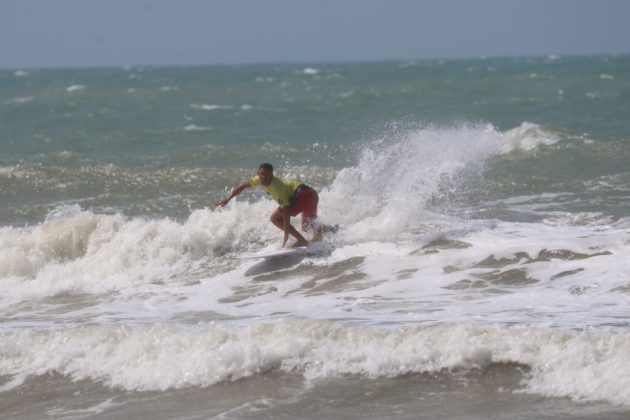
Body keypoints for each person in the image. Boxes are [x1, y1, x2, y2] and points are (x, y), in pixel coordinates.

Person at [214, 163, 333, 248]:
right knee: (307, 226)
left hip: (302, 196)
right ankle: (332, 230)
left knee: (274, 219)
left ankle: (302, 241)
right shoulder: (257, 180)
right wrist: (227, 199)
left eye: (268, 176)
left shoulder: (276, 186)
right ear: (258, 173)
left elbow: (286, 210)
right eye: (262, 175)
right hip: (312, 194)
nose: (265, 178)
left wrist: (286, 233)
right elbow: (243, 186)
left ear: (272, 175)